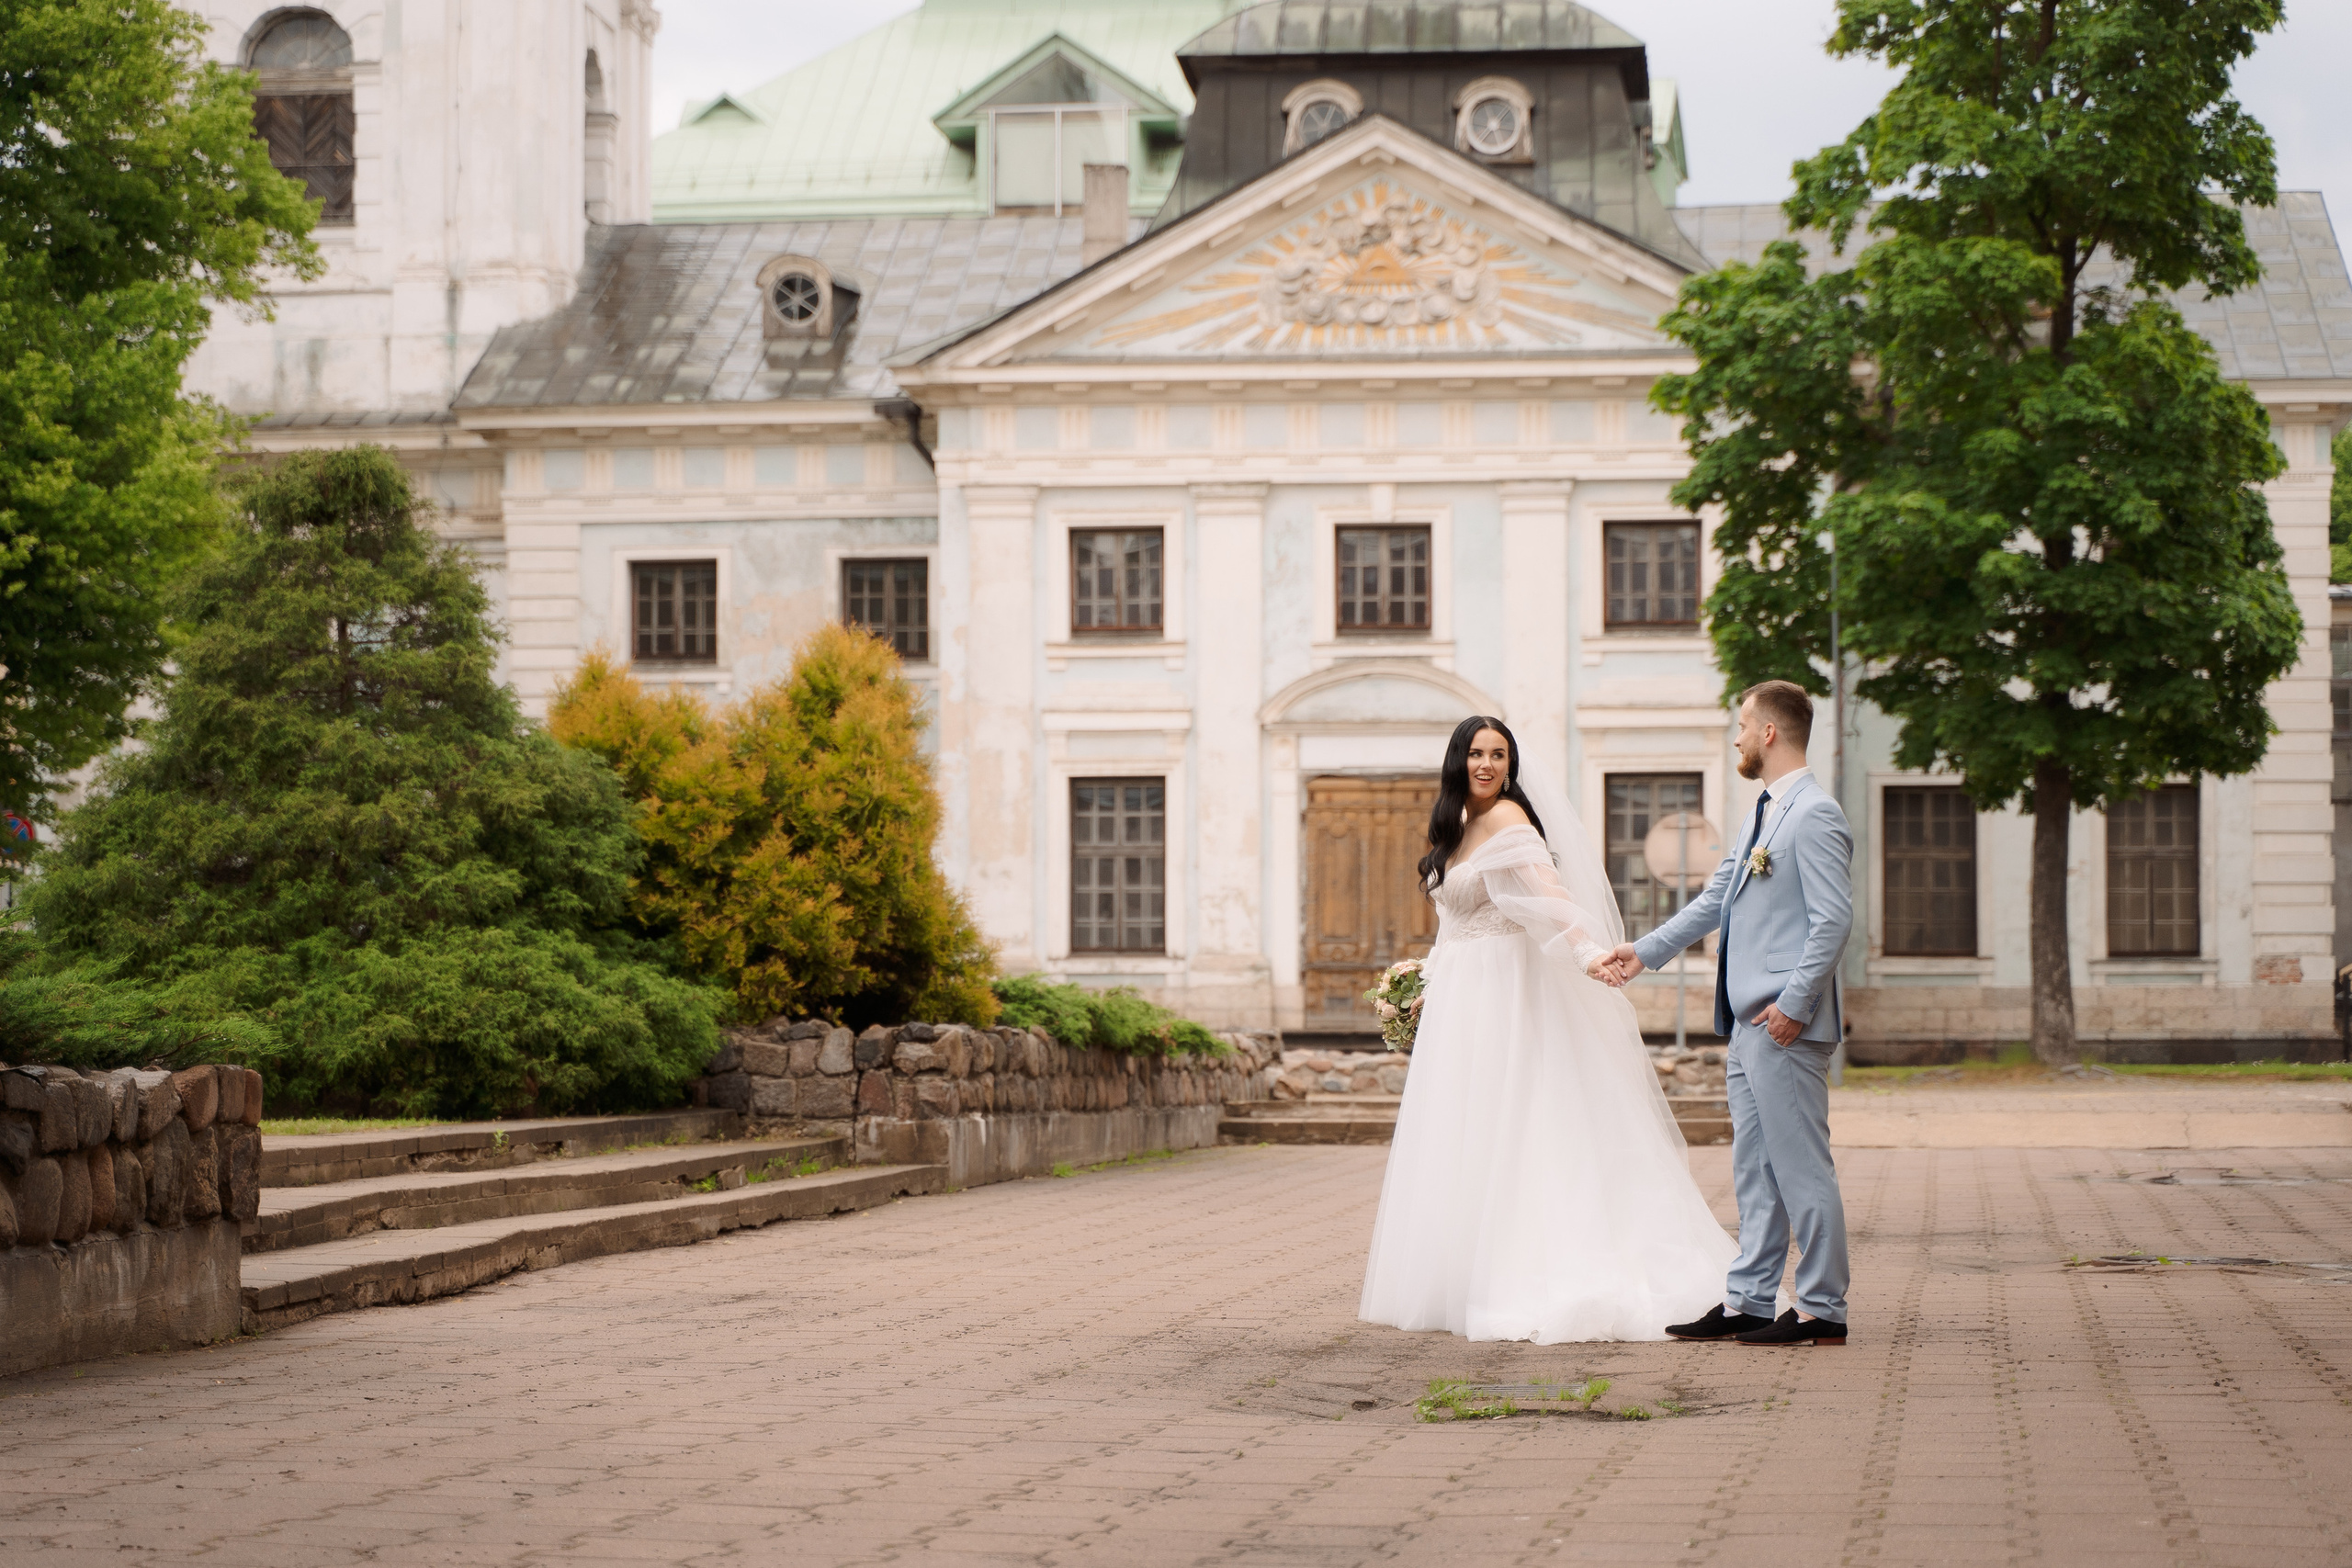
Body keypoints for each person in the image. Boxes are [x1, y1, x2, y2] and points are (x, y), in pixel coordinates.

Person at [1358, 716, 1736, 1343]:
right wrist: (1421, 984)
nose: (1486, 764)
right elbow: (1455, 921)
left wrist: (1589, 953)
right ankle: (1465, 1275)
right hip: (1460, 994)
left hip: (1504, 994)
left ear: (1510, 764)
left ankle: (1528, 1273)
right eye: (1476, 753)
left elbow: (1547, 894)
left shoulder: (1509, 818)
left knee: (1520, 1121)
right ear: (1458, 759)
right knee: (1467, 1131)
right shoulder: (1453, 826)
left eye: (1497, 754)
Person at [1613, 680, 1854, 1347]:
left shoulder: (1815, 813)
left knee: (1802, 1168)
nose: (1738, 735)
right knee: (1755, 1169)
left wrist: (1794, 1005)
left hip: (1784, 1023)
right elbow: (1716, 898)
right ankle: (1749, 1298)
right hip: (1747, 1024)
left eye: (1744, 723)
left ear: (1771, 732)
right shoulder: (1761, 814)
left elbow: (1833, 921)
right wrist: (1642, 953)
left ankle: (1822, 1307)